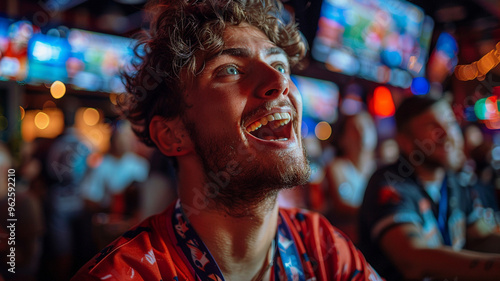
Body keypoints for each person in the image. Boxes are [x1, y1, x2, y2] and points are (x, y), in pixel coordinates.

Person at [72, 0, 383, 280]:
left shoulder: (321, 246)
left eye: (279, 65)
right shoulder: (128, 273)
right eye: (230, 70)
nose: (280, 82)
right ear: (173, 135)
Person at [358, 95, 500, 281]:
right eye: (433, 128)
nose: (447, 134)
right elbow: (412, 260)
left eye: (450, 123)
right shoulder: (390, 183)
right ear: (406, 142)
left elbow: (481, 237)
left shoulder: (454, 182)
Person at [322, 110, 377, 243]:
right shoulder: (335, 167)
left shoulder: (379, 169)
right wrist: (377, 210)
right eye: (354, 128)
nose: (362, 132)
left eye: (367, 126)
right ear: (342, 139)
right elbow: (340, 207)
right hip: (343, 240)